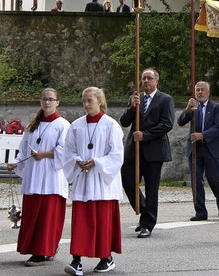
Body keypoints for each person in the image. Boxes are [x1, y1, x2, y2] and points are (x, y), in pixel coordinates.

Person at [63, 87, 123, 275]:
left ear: (100, 101)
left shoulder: (111, 125)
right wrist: (77, 161)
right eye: (84, 101)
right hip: (84, 179)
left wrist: (96, 162)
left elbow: (117, 155)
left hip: (102, 181)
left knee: (102, 222)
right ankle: (76, 260)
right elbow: (68, 150)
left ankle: (106, 258)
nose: (86, 104)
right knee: (81, 222)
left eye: (90, 100)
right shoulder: (76, 125)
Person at [7, 88, 70, 267]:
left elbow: (65, 150)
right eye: (44, 99)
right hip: (34, 177)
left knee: (48, 217)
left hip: (52, 178)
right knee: (34, 215)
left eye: (51, 99)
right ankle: (40, 249)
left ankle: (43, 252)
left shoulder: (63, 125)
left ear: (58, 102)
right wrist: (15, 163)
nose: (47, 102)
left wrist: (45, 154)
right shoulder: (32, 125)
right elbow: (23, 150)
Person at [120, 68, 175, 238]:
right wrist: (132, 107)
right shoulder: (135, 98)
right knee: (127, 180)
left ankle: (147, 224)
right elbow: (124, 121)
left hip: (153, 151)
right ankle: (145, 211)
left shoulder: (165, 99)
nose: (145, 81)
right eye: (143, 78)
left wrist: (146, 135)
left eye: (149, 78)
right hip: (133, 151)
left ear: (156, 81)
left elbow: (167, 123)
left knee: (152, 188)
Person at [177, 81, 219, 221]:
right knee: (196, 181)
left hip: (211, 147)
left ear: (208, 92)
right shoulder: (193, 108)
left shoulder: (216, 107)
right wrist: (187, 108)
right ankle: (200, 212)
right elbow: (180, 122)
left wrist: (203, 135)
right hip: (195, 149)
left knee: (213, 179)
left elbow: (218, 127)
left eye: (202, 90)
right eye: (197, 90)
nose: (200, 92)